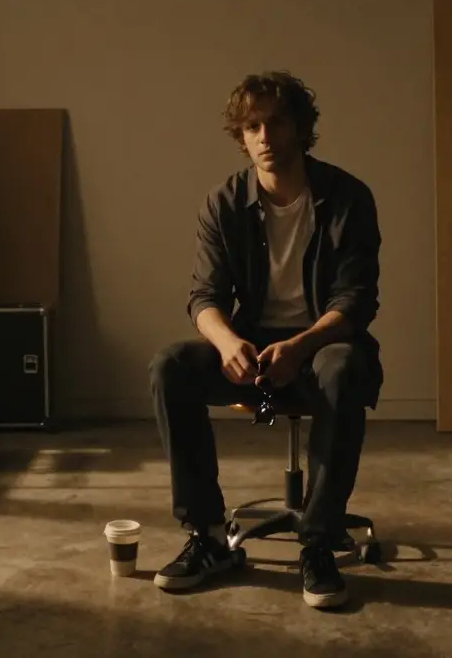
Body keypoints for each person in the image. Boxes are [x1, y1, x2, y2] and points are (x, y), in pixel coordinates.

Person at [148, 70, 383, 609]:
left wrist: (300, 346)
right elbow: (204, 296)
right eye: (252, 126)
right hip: (252, 349)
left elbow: (355, 301)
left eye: (277, 122)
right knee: (170, 365)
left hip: (322, 345)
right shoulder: (224, 202)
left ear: (301, 128)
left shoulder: (348, 198)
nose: (265, 136)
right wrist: (228, 343)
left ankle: (318, 544)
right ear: (241, 135)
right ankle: (209, 537)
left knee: (343, 368)